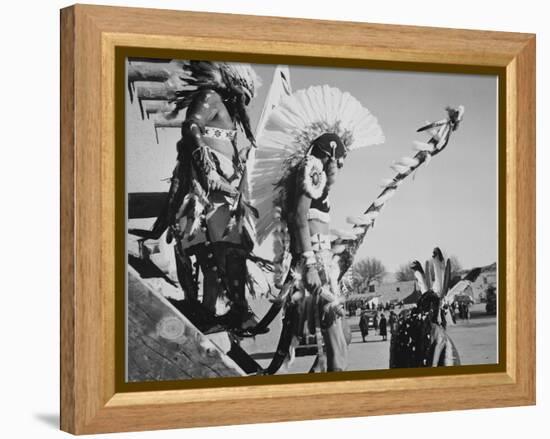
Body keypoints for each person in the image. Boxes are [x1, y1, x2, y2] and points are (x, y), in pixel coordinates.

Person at [248, 84, 385, 373]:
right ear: (330, 154)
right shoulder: (310, 170)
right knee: (337, 344)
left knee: (343, 336)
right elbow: (299, 219)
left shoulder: (316, 176)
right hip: (314, 269)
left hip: (324, 267)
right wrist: (310, 265)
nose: (340, 167)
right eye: (339, 161)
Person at [130, 61, 261, 334]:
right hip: (205, 193)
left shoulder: (226, 113)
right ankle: (220, 313)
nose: (244, 106)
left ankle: (217, 314)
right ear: (233, 86)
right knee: (216, 253)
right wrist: (207, 167)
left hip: (223, 191)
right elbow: (191, 126)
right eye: (244, 98)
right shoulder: (211, 97)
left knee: (224, 254)